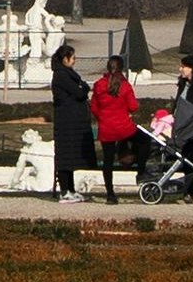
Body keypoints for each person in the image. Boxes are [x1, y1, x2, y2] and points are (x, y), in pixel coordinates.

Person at [46, 42, 94, 204]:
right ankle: (65, 191)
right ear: (65, 59)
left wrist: (83, 87)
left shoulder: (68, 74)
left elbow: (81, 89)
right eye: (72, 58)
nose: (74, 61)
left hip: (71, 122)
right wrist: (83, 88)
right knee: (65, 158)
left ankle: (71, 189)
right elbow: (80, 92)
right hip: (66, 123)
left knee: (70, 158)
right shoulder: (61, 75)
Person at [89, 53, 139, 200]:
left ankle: (110, 193)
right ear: (122, 68)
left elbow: (94, 107)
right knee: (144, 141)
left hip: (106, 127)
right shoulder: (124, 86)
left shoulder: (99, 84)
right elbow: (133, 106)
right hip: (123, 127)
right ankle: (135, 164)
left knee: (107, 160)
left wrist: (102, 117)